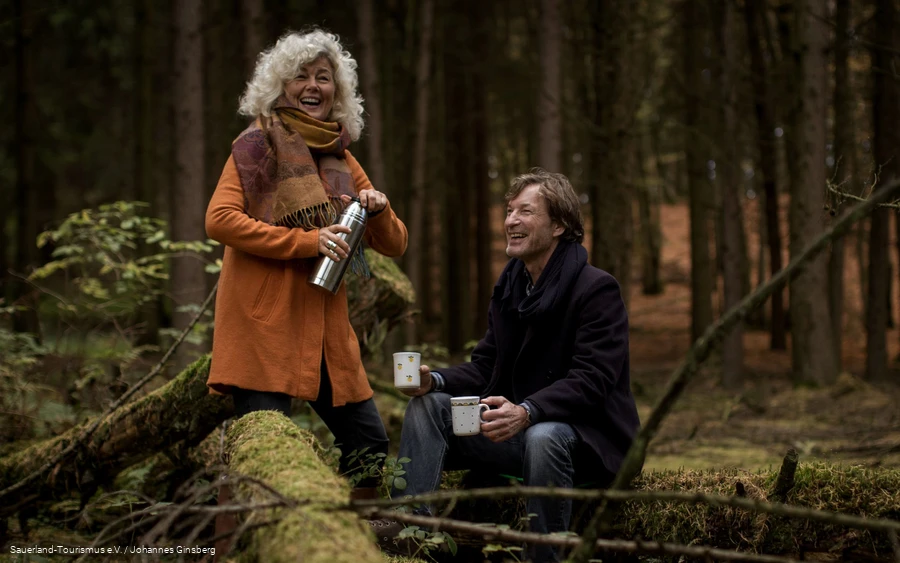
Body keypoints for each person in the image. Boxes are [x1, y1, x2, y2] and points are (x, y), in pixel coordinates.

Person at [372, 169, 639, 562]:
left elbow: (593, 380)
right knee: (429, 406)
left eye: (525, 212)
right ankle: (410, 529)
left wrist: (528, 411)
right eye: (509, 211)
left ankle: (545, 555)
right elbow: (486, 366)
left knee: (543, 435)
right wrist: (437, 380)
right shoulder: (512, 285)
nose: (511, 221)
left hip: (589, 442)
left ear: (559, 226)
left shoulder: (596, 289)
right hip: (516, 430)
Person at [205, 29, 408, 501]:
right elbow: (220, 221)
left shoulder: (340, 156)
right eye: (301, 75)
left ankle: (362, 536)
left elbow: (395, 245)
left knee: (369, 444)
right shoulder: (256, 144)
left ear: (338, 90)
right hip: (264, 323)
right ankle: (249, 541)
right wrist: (307, 241)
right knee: (265, 447)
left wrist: (379, 210)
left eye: (324, 76)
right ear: (282, 85)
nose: (314, 85)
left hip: (322, 326)